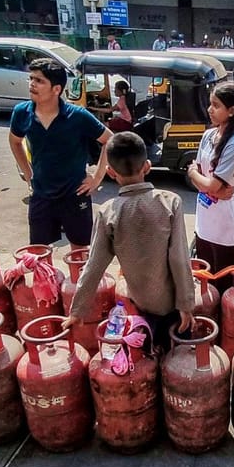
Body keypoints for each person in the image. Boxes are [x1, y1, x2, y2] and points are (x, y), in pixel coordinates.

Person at [62, 132, 195, 350]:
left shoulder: (108, 212)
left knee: (147, 364)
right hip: (175, 307)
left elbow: (94, 266)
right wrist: (187, 305)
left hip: (142, 307)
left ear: (111, 172)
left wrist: (77, 311)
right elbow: (180, 259)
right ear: (147, 166)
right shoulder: (171, 202)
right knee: (177, 364)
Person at [8, 58, 114, 248]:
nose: (32, 84)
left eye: (39, 81)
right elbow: (15, 141)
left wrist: (97, 178)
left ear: (56, 89)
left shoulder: (77, 116)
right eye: (31, 79)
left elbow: (110, 140)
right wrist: (27, 173)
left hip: (75, 194)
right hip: (41, 193)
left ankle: (78, 279)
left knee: (80, 252)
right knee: (39, 252)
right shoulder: (22, 112)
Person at [186, 82, 234, 294]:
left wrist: (200, 179)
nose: (210, 109)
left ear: (231, 111)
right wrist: (205, 183)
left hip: (224, 225)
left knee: (221, 283)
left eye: (216, 105)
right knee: (204, 278)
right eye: (210, 104)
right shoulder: (208, 136)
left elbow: (208, 182)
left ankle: (222, 325)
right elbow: (202, 179)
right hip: (204, 220)